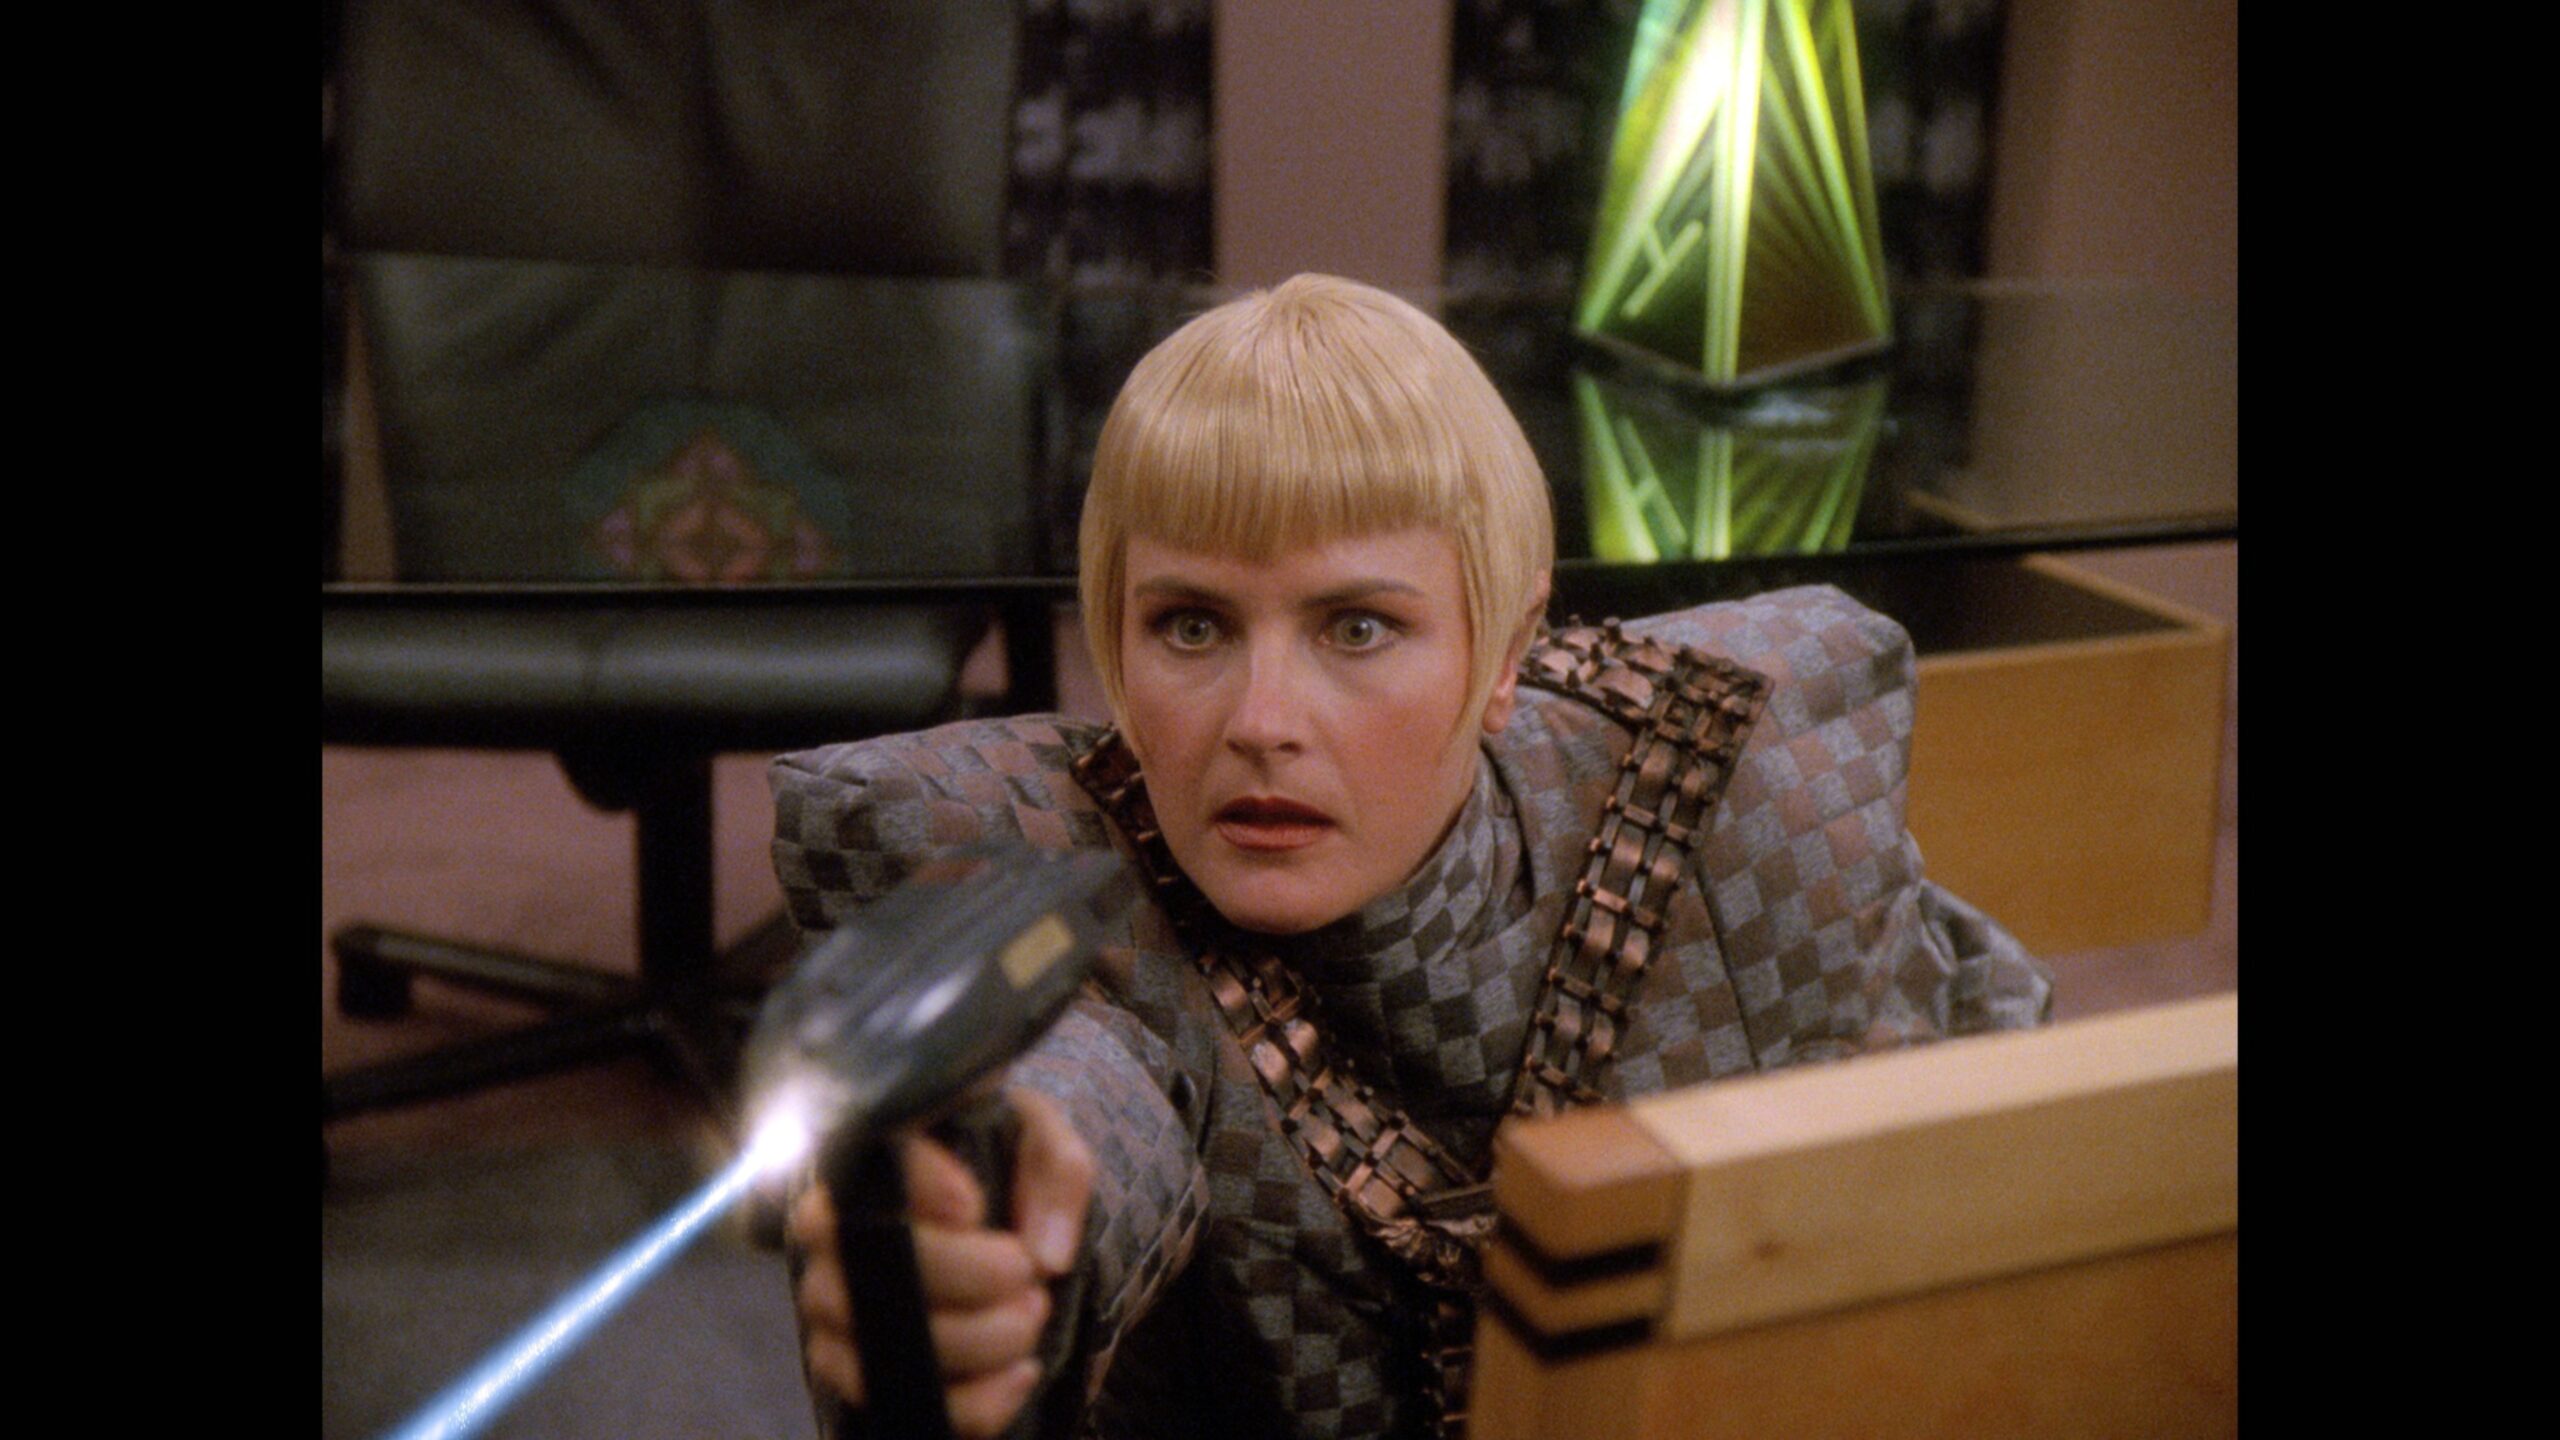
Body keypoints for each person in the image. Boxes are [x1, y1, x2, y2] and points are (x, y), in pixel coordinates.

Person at [770, 275, 2051, 1440]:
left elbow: (1985, 1117)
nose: (1261, 720)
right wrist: (998, 1217)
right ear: (1113, 638)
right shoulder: (1053, 889)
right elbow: (1085, 1089)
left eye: (1358, 627)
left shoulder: (1733, 775)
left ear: (1506, 653)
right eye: (1193, 625)